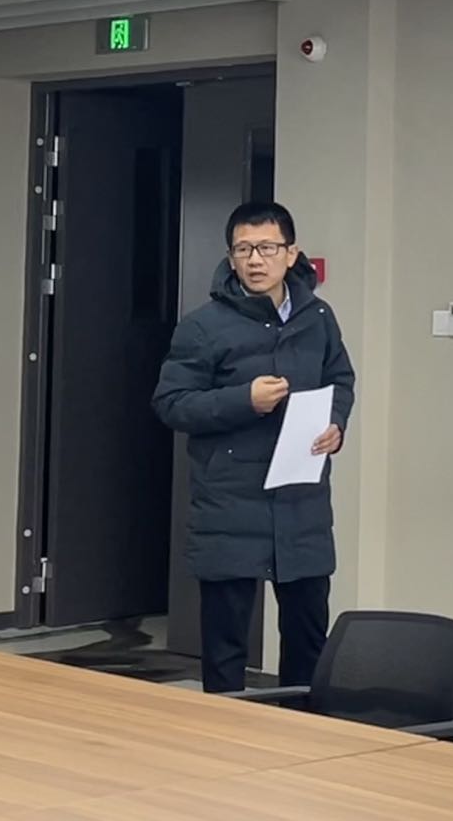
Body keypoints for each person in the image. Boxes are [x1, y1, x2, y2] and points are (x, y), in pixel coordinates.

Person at [153, 201, 354, 694]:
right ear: (231, 257)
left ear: (291, 253)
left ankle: (305, 733)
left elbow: (340, 379)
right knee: (225, 649)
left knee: (308, 639)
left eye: (267, 248)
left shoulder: (318, 317)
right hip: (230, 504)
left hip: (301, 504)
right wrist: (244, 400)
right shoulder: (203, 326)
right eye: (244, 250)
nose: (255, 260)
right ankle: (224, 736)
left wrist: (336, 424)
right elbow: (172, 404)